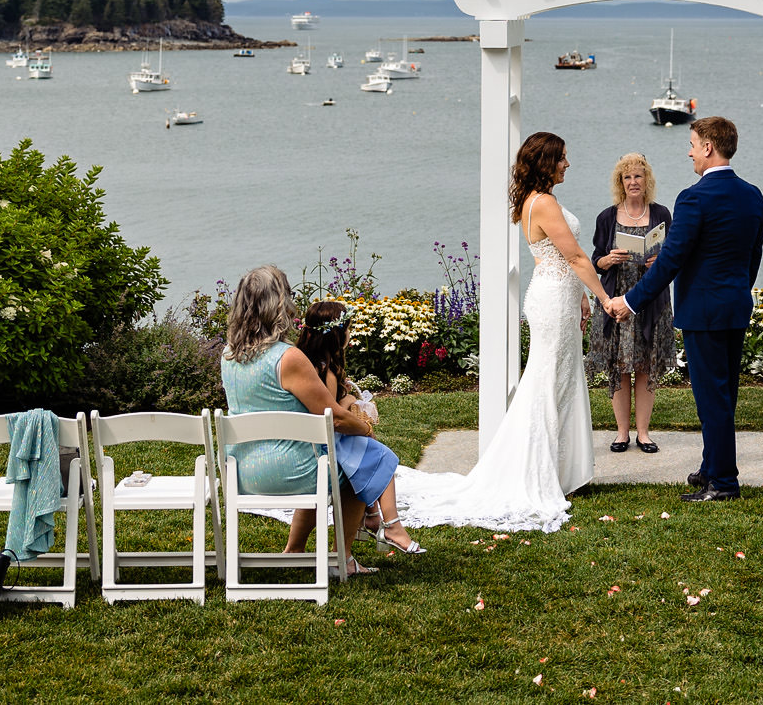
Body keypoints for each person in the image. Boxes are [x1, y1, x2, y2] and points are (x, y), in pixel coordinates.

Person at [394, 131, 613, 531]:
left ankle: (560, 470)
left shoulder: (537, 200)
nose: (568, 164)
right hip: (551, 300)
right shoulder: (543, 202)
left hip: (558, 295)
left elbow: (564, 260)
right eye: (562, 158)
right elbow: (577, 256)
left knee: (560, 380)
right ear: (547, 162)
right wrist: (602, 297)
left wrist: (580, 295)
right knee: (546, 382)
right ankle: (536, 474)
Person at [606, 116, 763, 502]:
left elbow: (671, 260)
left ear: (709, 147)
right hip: (734, 306)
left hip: (704, 312)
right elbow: (753, 256)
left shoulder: (693, 198)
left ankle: (724, 482)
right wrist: (736, 291)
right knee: (724, 392)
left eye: (693, 144)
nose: (690, 151)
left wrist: (630, 300)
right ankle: (712, 467)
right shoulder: (753, 195)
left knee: (712, 398)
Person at [220, 266, 391, 575]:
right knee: (360, 463)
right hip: (290, 472)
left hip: (242, 472)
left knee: (322, 460)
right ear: (279, 306)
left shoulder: (228, 355)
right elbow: (334, 418)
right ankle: (344, 558)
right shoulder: (288, 358)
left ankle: (295, 549)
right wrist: (365, 428)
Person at [285, 299, 424, 556]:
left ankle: (369, 516)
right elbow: (330, 416)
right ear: (337, 334)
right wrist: (351, 405)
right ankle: (390, 524)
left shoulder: (309, 364)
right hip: (326, 443)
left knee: (368, 457)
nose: (350, 333)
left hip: (308, 442)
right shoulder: (325, 372)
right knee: (382, 457)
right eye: (347, 328)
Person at [587, 152, 675, 453]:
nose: (633, 182)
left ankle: (644, 433)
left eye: (638, 176)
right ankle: (621, 433)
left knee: (646, 366)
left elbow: (674, 254)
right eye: (627, 177)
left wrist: (659, 262)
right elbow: (594, 260)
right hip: (618, 300)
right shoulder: (607, 216)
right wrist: (608, 259)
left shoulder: (662, 214)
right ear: (620, 183)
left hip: (650, 299)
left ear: (646, 180)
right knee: (620, 367)